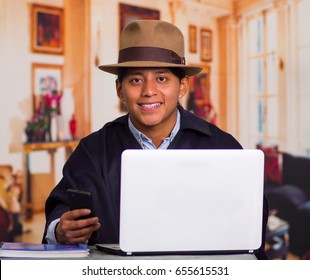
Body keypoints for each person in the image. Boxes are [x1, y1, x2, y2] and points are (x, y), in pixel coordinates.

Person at [43, 20, 268, 259]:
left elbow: (250, 221)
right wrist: (59, 230)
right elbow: (62, 206)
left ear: (182, 86)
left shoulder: (223, 147)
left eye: (161, 79)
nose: (149, 91)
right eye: (136, 80)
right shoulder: (93, 151)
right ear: (120, 89)